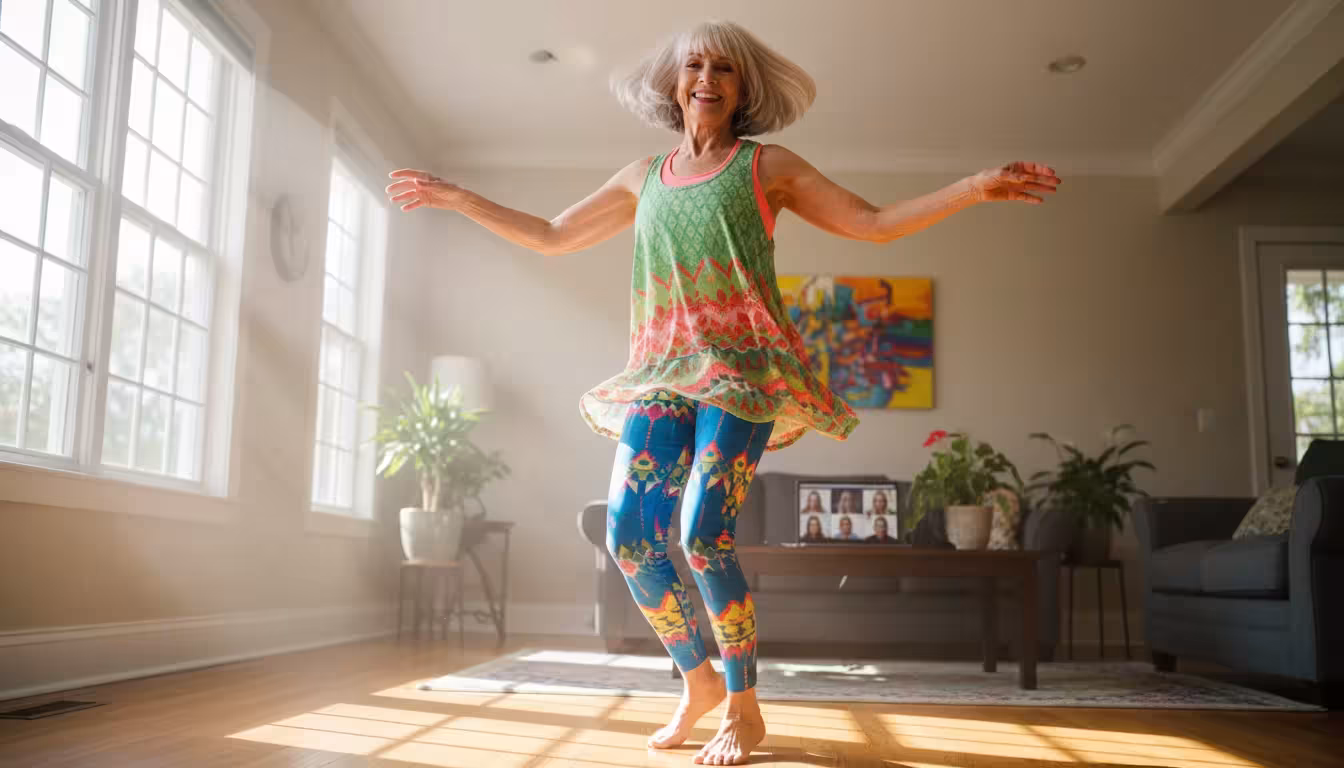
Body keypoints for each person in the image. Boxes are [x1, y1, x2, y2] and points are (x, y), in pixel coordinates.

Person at [385, 19, 1057, 766]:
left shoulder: (768, 167)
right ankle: (696, 681)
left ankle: (743, 704)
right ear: (674, 84)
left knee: (705, 534)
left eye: (724, 70)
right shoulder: (641, 176)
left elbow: (871, 224)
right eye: (694, 66)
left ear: (744, 91)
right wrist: (458, 197)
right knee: (630, 536)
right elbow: (549, 234)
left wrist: (972, 187)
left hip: (740, 375)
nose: (707, 78)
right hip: (661, 374)